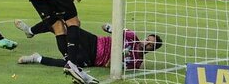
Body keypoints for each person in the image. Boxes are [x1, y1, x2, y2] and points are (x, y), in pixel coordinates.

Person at [18, 23, 162, 73]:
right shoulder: (132, 35)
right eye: (148, 39)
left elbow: (108, 65)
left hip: (92, 58)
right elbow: (107, 27)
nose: (146, 42)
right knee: (63, 25)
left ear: (152, 50)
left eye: (150, 44)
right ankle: (31, 31)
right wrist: (110, 28)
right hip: (94, 41)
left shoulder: (136, 63)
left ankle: (36, 58)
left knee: (70, 65)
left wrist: (122, 55)